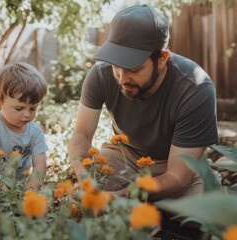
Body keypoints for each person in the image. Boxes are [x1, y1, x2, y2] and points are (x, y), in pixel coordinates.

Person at [68, 4, 218, 201]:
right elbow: (81, 134)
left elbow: (177, 177)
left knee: (200, 217)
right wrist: (84, 176)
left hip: (176, 163)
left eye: (133, 68)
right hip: (126, 157)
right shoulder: (100, 74)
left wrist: (118, 197)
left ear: (162, 58)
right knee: (94, 182)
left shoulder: (196, 88)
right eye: (116, 65)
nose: (121, 78)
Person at [0, 62, 48, 224]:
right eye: (19, 108)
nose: (27, 115)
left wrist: (28, 195)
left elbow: (40, 166)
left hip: (21, 186)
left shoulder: (35, 132)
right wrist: (5, 197)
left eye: (33, 108)